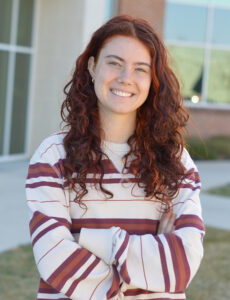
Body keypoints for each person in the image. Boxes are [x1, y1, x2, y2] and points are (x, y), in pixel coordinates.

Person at [26, 15, 205, 300]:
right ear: (93, 67)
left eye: (140, 69)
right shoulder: (53, 157)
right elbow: (54, 258)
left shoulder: (176, 161)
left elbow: (182, 266)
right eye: (114, 63)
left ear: (152, 80)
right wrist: (153, 252)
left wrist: (88, 239)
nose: (126, 78)